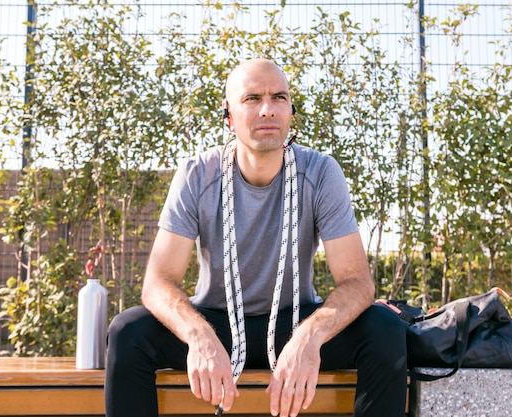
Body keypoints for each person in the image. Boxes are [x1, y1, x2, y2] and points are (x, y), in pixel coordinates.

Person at [104, 58, 407, 417]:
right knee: (127, 332)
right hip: (219, 326)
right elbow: (157, 283)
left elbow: (357, 283)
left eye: (279, 97)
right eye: (252, 99)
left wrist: (308, 339)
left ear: (291, 111)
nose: (268, 109)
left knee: (385, 329)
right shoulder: (197, 175)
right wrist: (199, 335)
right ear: (228, 116)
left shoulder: (321, 173)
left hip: (292, 323)